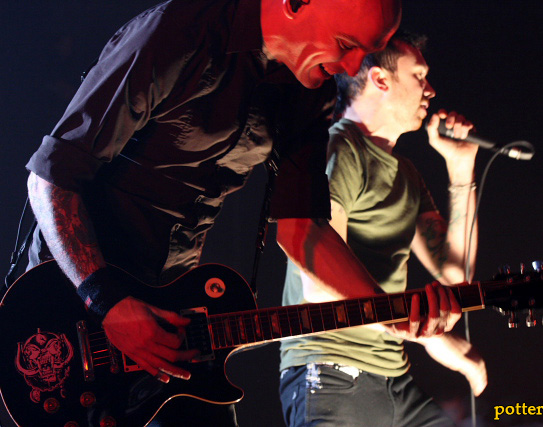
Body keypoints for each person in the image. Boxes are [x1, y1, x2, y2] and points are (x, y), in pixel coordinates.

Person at [23, 0, 463, 425]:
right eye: (346, 45)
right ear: (295, 3)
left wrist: (388, 312)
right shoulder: (178, 33)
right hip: (77, 306)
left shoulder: (309, 91)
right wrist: (106, 302)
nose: (351, 68)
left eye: (364, 53)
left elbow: (303, 229)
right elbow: (50, 177)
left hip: (175, 309)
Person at [279, 31, 486, 426]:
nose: (430, 89)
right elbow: (316, 283)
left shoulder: (405, 172)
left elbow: (455, 275)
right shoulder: (340, 149)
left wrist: (461, 169)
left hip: (393, 378)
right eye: (419, 75)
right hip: (333, 371)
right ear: (379, 79)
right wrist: (431, 334)